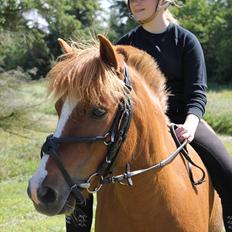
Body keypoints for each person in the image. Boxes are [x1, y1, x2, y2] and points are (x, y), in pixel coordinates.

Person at [66, 0, 232, 231]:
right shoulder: (124, 45)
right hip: (135, 128)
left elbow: (197, 92)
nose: (136, 3)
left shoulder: (185, 41)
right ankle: (78, 225)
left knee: (228, 172)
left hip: (184, 122)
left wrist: (191, 124)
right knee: (83, 171)